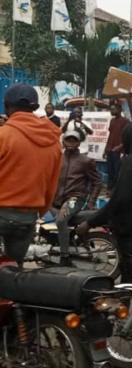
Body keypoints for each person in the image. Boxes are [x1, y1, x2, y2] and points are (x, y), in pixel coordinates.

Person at [78, 121, 132, 283]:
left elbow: (120, 198)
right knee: (129, 268)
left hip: (128, 224)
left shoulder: (131, 161)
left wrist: (91, 222)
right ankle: (128, 302)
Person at [0, 84, 62, 266]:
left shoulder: (4, 135)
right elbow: (52, 186)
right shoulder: (53, 142)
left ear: (7, 106)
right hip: (28, 217)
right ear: (35, 107)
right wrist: (38, 211)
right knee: (12, 272)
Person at [52, 130, 102, 265]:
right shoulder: (57, 158)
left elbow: (97, 182)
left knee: (61, 220)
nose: (71, 143)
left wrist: (91, 202)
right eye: (68, 140)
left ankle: (64, 257)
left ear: (79, 143)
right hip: (56, 199)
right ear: (63, 142)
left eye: (74, 140)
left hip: (75, 198)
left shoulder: (85, 161)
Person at [103, 103, 130, 191]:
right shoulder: (112, 121)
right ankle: (109, 190)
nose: (111, 111)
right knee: (110, 172)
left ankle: (116, 191)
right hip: (110, 150)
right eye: (111, 109)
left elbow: (127, 137)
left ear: (119, 110)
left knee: (117, 172)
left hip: (118, 152)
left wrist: (119, 147)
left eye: (113, 109)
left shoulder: (125, 121)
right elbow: (110, 135)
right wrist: (105, 149)